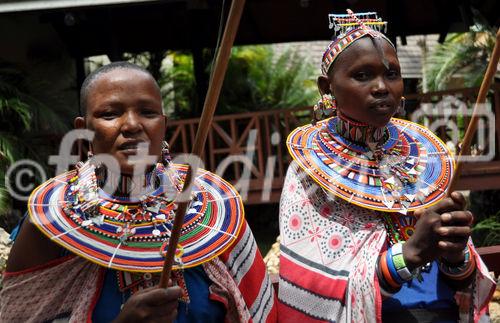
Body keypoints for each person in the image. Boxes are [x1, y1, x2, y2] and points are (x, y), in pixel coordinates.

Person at [1, 62, 277, 322]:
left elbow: (259, 311)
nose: (132, 125)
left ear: (163, 124)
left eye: (147, 112)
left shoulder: (213, 211)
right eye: (110, 114)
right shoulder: (53, 221)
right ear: (83, 130)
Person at [278, 10, 495, 323]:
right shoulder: (308, 172)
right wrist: (408, 255)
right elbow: (315, 288)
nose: (382, 86)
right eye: (363, 75)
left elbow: (461, 280)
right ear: (327, 88)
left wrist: (454, 253)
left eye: (391, 74)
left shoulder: (425, 158)